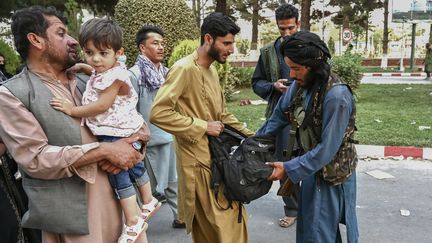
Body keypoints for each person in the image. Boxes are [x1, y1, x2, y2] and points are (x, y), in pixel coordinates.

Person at [0, 6, 149, 243]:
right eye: (61, 33)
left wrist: (135, 148)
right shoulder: (12, 93)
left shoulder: (89, 78)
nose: (72, 41)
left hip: (125, 208)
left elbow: (135, 124)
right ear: (36, 40)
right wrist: (104, 151)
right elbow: (36, 158)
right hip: (74, 222)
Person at [49, 18, 161, 243]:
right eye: (89, 52)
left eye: (102, 53)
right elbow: (99, 73)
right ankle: (148, 200)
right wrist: (84, 67)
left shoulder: (116, 78)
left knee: (120, 176)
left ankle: (133, 219)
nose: (96, 59)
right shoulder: (108, 70)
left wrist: (73, 110)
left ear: (118, 53)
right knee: (136, 169)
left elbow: (101, 105)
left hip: (115, 131)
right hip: (124, 127)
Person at [150, 12, 254, 243]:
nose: (231, 49)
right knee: (217, 230)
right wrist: (202, 126)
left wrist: (253, 136)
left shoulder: (212, 70)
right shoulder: (183, 69)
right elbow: (158, 113)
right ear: (208, 39)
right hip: (197, 165)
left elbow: (222, 115)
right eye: (226, 43)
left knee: (231, 224)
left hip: (219, 160)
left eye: (232, 43)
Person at [259, 31, 359, 243]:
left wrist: (287, 168)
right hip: (310, 170)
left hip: (332, 175)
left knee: (320, 234)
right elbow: (276, 119)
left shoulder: (337, 97)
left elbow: (326, 151)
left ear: (314, 65)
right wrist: (252, 144)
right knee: (308, 231)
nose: (291, 75)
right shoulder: (299, 85)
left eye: (296, 68)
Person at [129, 25, 185, 229]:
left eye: (162, 43)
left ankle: (181, 217)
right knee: (146, 186)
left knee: (174, 180)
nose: (161, 47)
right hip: (147, 141)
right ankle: (133, 222)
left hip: (169, 137)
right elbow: (130, 110)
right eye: (155, 43)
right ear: (142, 48)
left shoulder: (168, 73)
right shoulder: (134, 76)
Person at [251, 3, 300, 228]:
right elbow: (256, 83)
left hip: (307, 118)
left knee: (307, 160)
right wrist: (273, 86)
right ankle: (291, 209)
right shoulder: (268, 52)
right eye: (282, 29)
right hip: (280, 118)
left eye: (290, 28)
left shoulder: (309, 46)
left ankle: (310, 207)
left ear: (298, 24)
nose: (286, 33)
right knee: (283, 161)